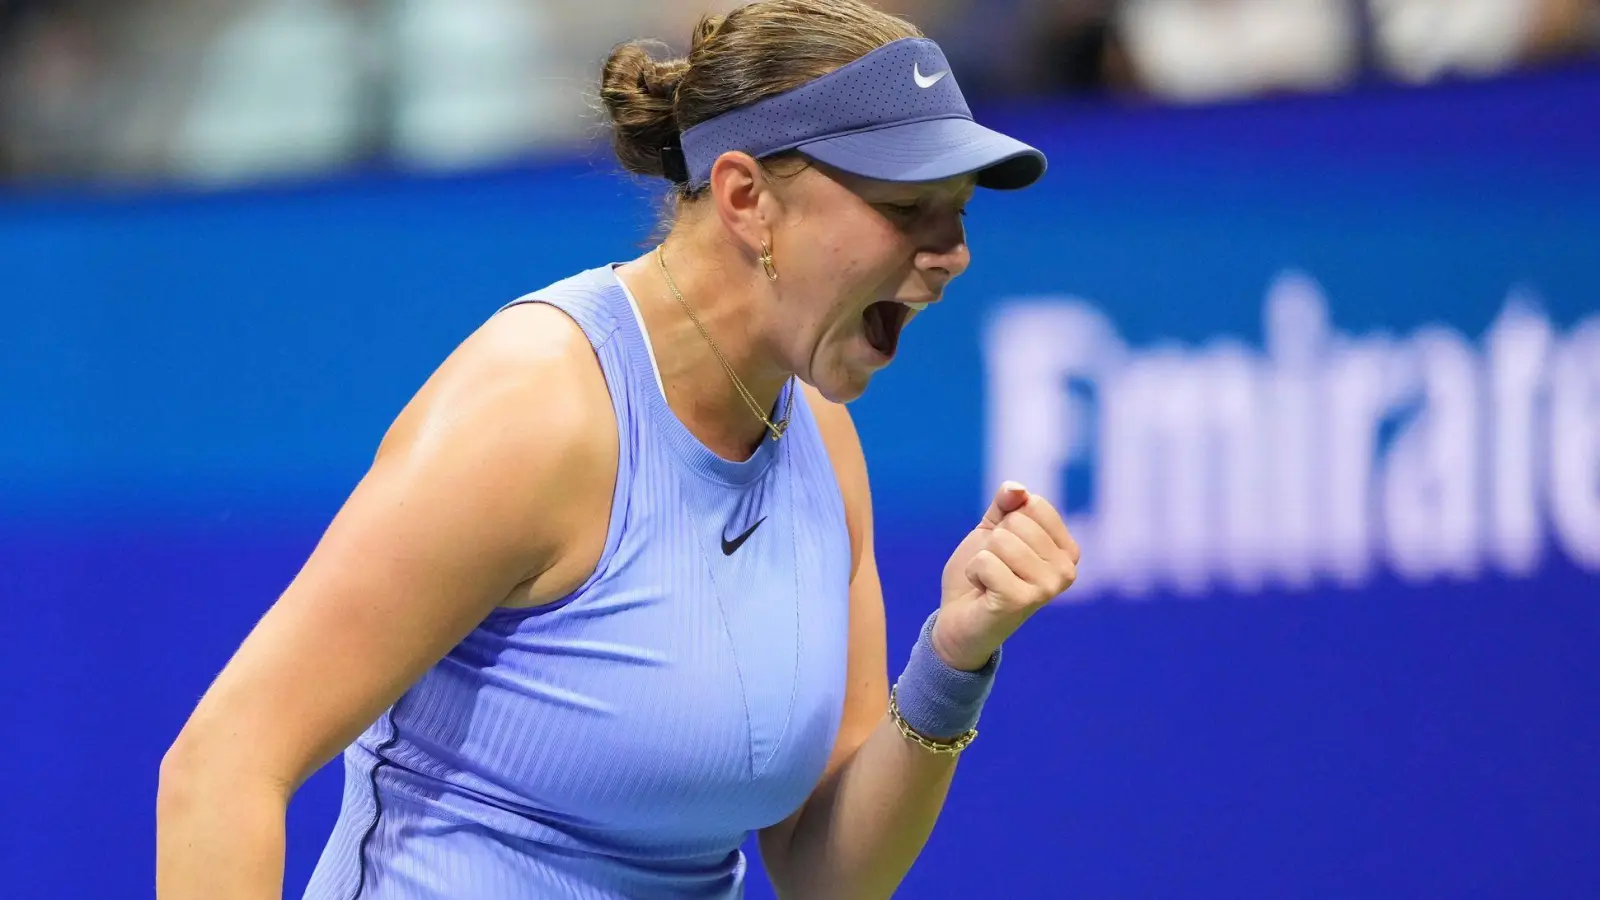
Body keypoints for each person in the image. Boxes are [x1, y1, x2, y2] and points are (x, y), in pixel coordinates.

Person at [155, 1, 1079, 897]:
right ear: (747, 199)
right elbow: (225, 763)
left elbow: (826, 874)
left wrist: (952, 661)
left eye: (958, 210)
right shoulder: (537, 410)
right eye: (907, 205)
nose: (952, 253)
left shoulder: (821, 439)